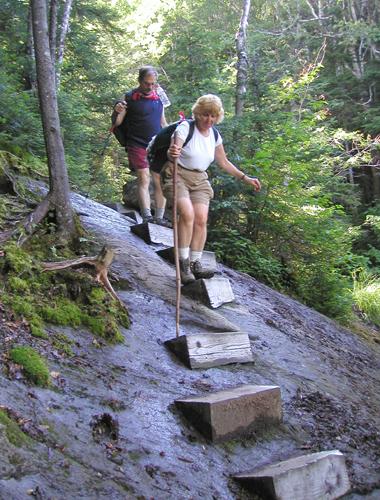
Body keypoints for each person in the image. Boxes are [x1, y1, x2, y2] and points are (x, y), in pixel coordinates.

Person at [162, 94, 261, 284]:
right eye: (206, 114)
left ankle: (195, 263)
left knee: (201, 219)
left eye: (213, 116)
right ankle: (183, 264)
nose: (209, 120)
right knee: (187, 214)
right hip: (177, 174)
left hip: (200, 179)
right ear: (198, 113)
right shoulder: (185, 127)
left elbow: (223, 161)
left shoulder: (214, 135)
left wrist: (245, 178)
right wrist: (172, 151)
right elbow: (174, 149)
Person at [113, 66, 170, 225]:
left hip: (156, 144)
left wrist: (173, 135)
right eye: (147, 83)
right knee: (144, 178)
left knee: (159, 180)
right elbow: (118, 122)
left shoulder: (159, 96)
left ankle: (159, 218)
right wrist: (117, 110)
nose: (150, 87)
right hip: (136, 143)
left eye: (153, 84)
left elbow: (162, 121)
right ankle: (146, 216)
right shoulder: (129, 97)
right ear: (139, 81)